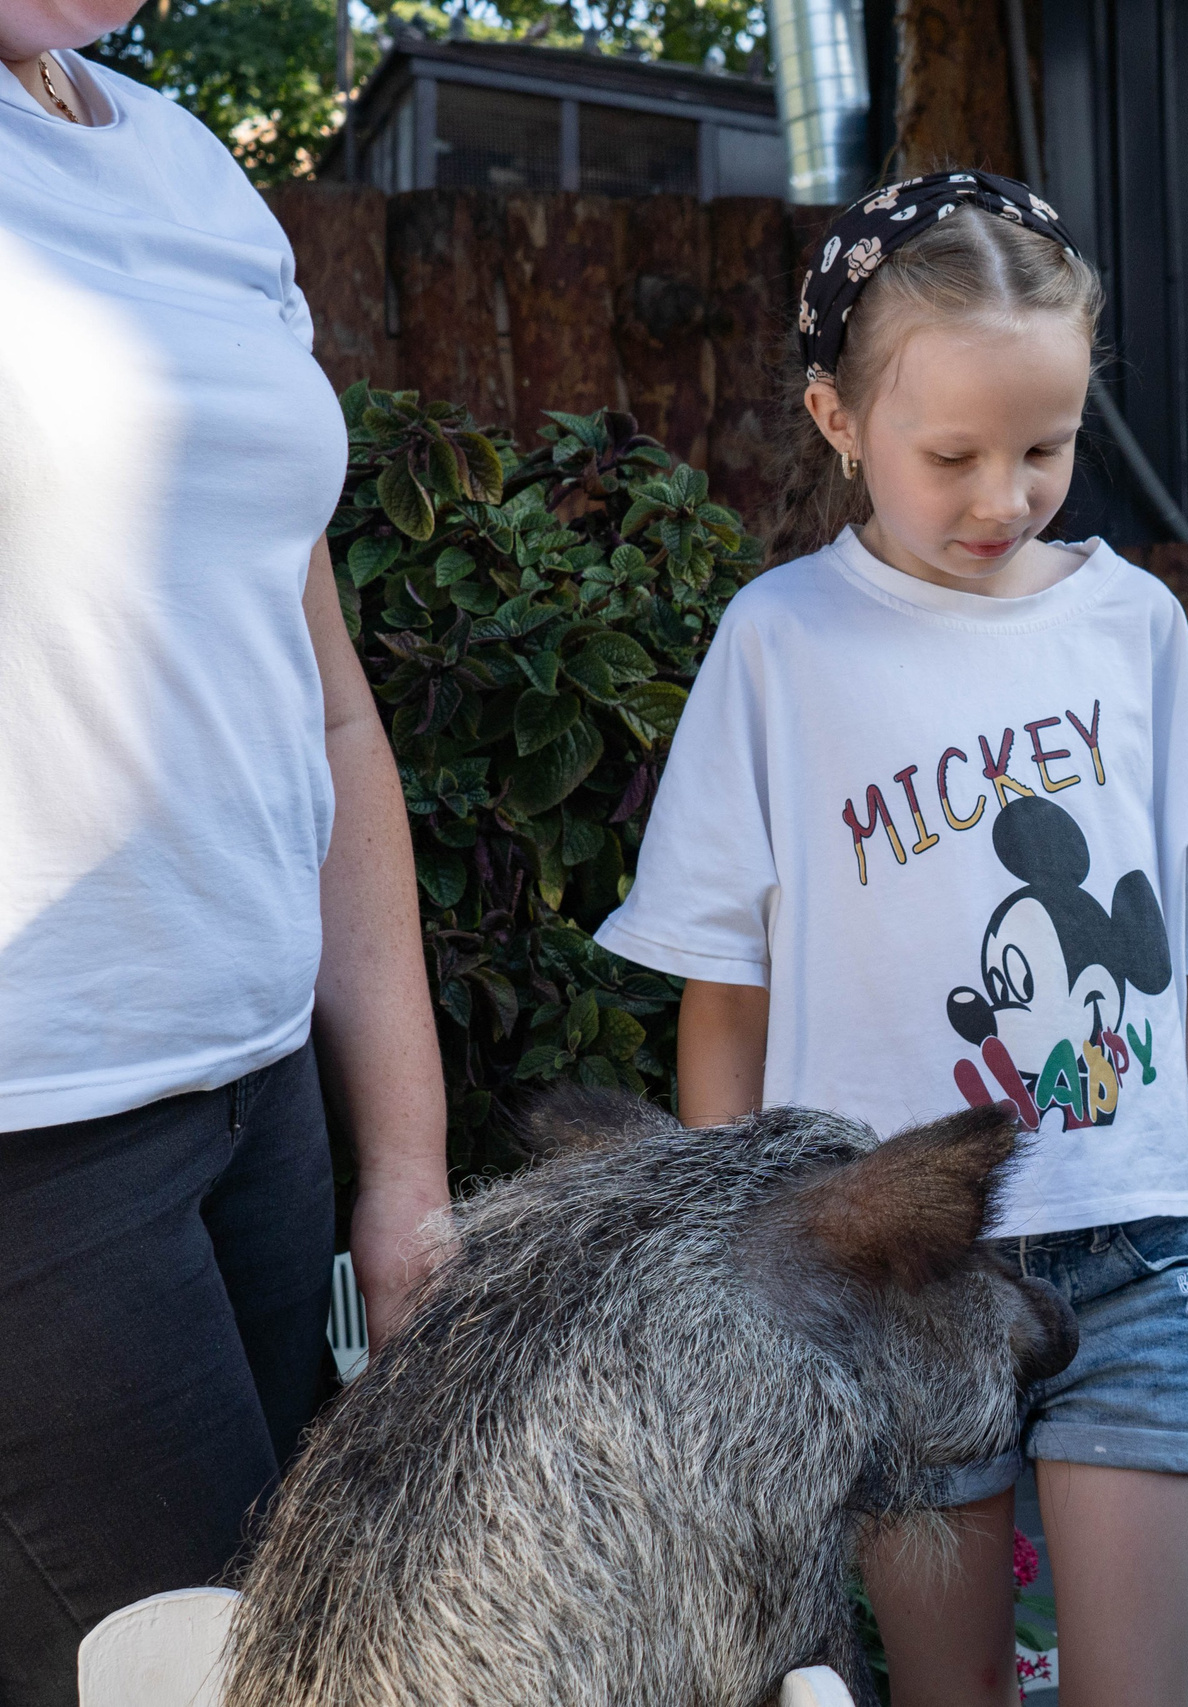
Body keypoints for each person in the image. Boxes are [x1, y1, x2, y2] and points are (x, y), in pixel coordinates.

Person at [592, 170, 1188, 1707]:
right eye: (953, 456)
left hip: (1136, 1250)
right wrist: (727, 1288)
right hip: (890, 1267)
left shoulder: (1130, 626)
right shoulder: (782, 645)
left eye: (1046, 448)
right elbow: (722, 1001)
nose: (1004, 499)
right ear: (834, 418)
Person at [0, 10, 449, 1702]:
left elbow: (324, 704)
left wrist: (401, 1159)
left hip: (259, 1105)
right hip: (35, 1134)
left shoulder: (190, 168)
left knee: (286, 1654)